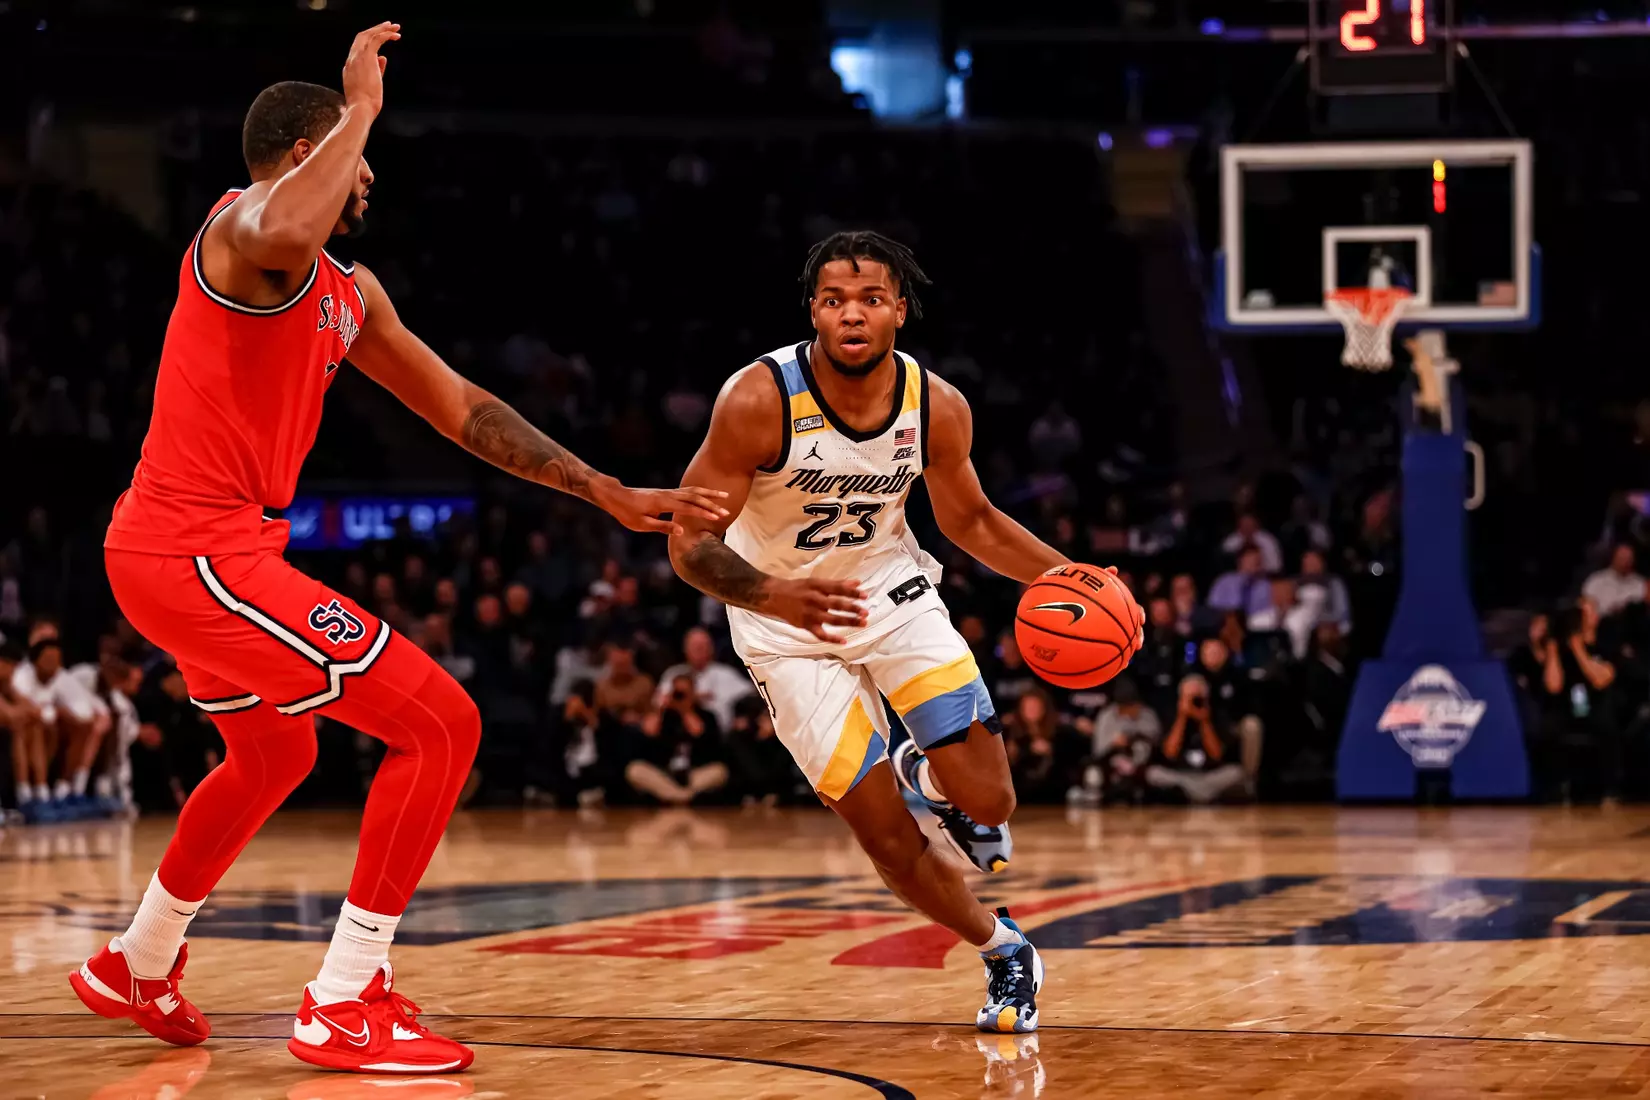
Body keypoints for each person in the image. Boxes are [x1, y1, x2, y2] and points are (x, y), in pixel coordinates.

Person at [79, 25, 726, 1076]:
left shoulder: (349, 291)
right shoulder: (239, 232)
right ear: (309, 152)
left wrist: (600, 488)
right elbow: (281, 214)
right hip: (191, 552)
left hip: (202, 555)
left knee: (276, 751)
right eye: (354, 157)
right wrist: (359, 107)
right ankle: (343, 996)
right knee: (441, 724)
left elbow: (466, 409)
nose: (369, 178)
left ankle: (137, 956)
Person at [667, 230, 1140, 1034]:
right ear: (813, 311)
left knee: (991, 799)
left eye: (871, 298)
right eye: (834, 299)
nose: (852, 313)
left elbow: (973, 521)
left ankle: (928, 770)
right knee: (884, 840)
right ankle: (1003, 949)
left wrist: (1075, 580)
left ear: (900, 312)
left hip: (889, 592)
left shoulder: (936, 405)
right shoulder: (756, 399)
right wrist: (774, 596)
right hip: (780, 621)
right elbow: (688, 544)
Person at [654, 625, 753, 730]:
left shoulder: (726, 674)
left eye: (703, 646)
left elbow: (752, 694)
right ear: (685, 649)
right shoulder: (673, 674)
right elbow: (659, 702)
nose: (699, 650)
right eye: (694, 646)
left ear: (712, 649)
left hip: (717, 733)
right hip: (676, 728)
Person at [1582, 544, 1647, 620]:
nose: (1625, 562)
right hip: (1600, 625)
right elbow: (1586, 606)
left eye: (1629, 559)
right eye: (1622, 558)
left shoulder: (1642, 584)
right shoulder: (1596, 580)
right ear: (1613, 558)